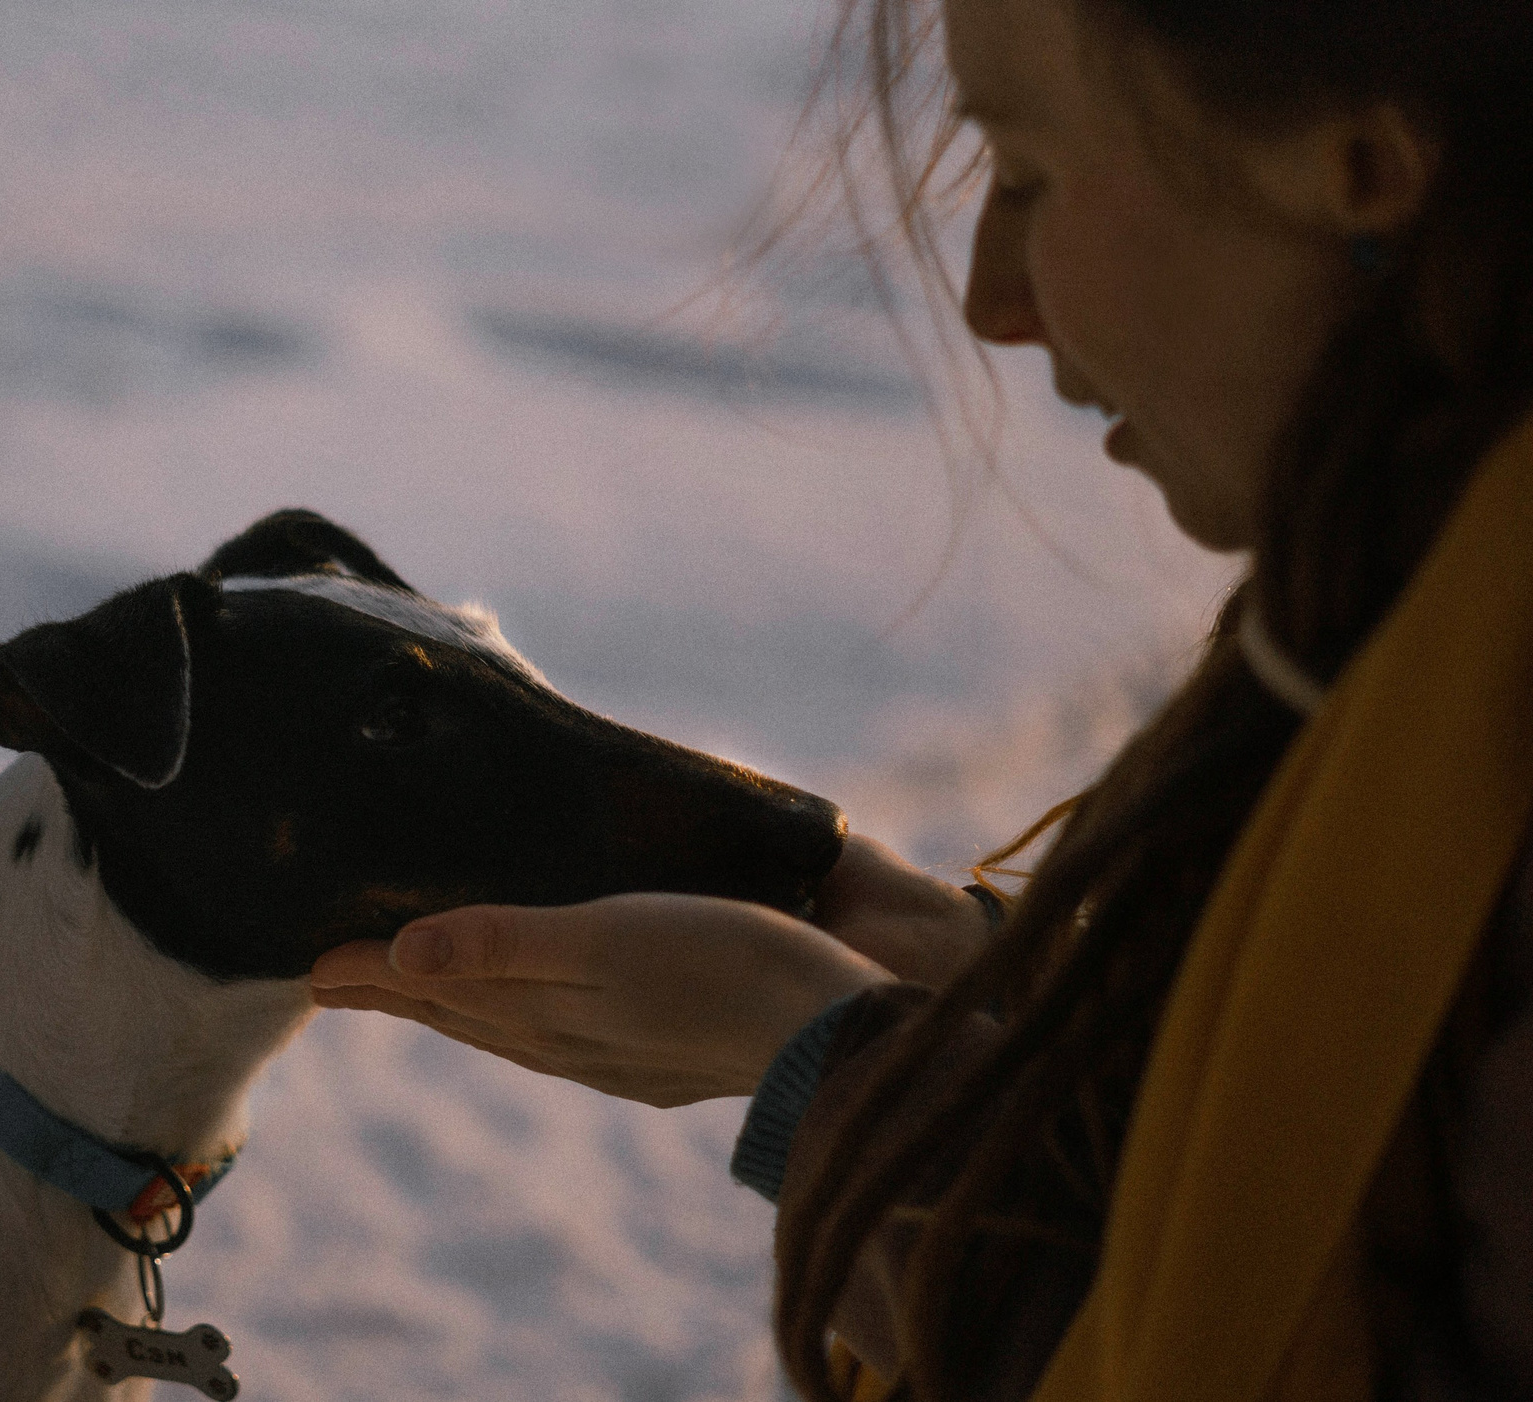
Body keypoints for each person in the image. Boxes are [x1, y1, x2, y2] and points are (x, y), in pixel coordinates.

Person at [309, 0, 1533, 1398]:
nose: (989, 302)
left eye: (1028, 173)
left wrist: (816, 1058)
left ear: (1357, 167)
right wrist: (994, 996)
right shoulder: (1391, 634)